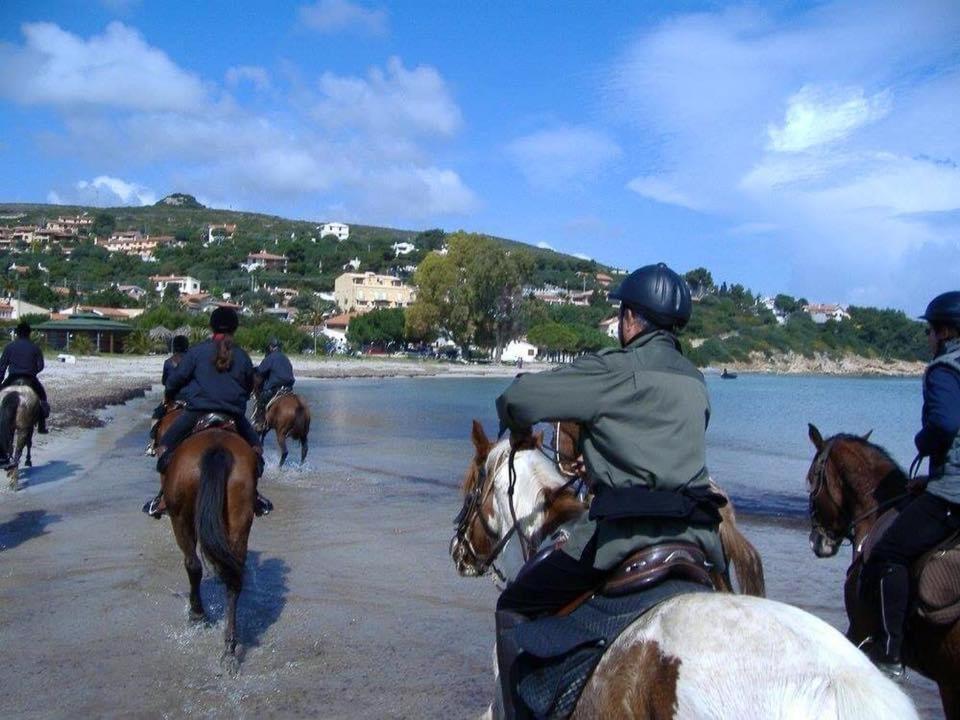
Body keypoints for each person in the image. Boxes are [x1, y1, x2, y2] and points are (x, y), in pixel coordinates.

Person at [493, 263, 725, 718]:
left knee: (513, 605)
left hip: (626, 539)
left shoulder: (614, 370)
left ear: (632, 320)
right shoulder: (696, 381)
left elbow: (519, 400)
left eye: (622, 314)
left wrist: (517, 423)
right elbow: (658, 450)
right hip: (699, 541)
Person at [862, 290, 960, 679]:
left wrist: (922, 442)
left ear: (947, 331)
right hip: (944, 481)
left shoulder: (944, 369)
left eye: (931, 331)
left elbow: (945, 425)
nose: (928, 339)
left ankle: (889, 652)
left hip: (955, 495)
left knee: (888, 554)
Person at [142, 307, 272, 518]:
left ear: (211, 327)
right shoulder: (242, 356)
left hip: (196, 412)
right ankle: (254, 496)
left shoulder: (196, 352)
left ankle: (164, 498)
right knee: (256, 450)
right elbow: (249, 387)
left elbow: (175, 380)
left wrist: (171, 393)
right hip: (233, 415)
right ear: (235, 328)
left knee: (164, 446)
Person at [0, 321, 49, 434]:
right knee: (42, 398)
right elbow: (40, 366)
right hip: (30, 378)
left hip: (12, 378)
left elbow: (1, 367)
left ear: (17, 333)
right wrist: (32, 372)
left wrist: (0, 381)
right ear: (29, 333)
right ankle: (42, 426)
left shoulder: (9, 347)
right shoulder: (35, 348)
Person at [253, 337, 295, 431]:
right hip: (289, 388)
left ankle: (259, 423)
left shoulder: (270, 358)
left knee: (261, 401)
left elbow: (260, 371)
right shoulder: (285, 358)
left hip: (275, 388)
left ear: (271, 347)